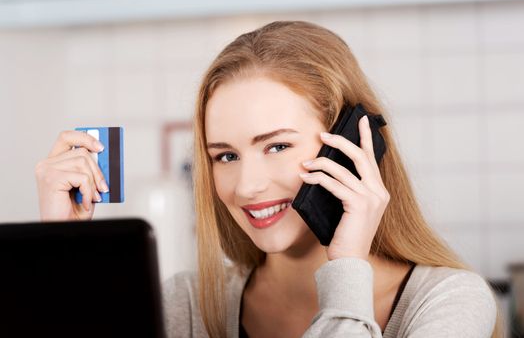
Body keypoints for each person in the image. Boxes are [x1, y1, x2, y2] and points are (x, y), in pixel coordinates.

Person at [36, 21, 502, 338]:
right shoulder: (188, 305)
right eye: (226, 155)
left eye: (276, 146)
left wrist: (345, 268)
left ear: (351, 146)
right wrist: (64, 248)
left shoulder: (446, 301)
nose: (246, 187)